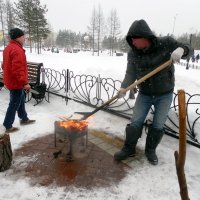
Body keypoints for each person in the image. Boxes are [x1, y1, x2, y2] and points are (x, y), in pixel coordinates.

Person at [114, 19, 193, 165]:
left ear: (145, 37)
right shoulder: (133, 53)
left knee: (158, 124)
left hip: (164, 94)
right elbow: (130, 74)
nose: (133, 43)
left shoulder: (166, 43)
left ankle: (150, 150)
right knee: (135, 122)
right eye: (131, 40)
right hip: (144, 94)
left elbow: (189, 48)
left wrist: (182, 50)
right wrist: (123, 88)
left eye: (135, 39)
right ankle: (129, 148)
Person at [2, 28, 36, 133]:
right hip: (16, 82)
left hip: (11, 80)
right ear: (18, 37)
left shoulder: (9, 48)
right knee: (14, 103)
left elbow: (4, 65)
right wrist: (24, 83)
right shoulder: (16, 50)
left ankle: (24, 118)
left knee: (20, 100)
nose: (25, 38)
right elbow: (18, 69)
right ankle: (8, 125)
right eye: (23, 36)